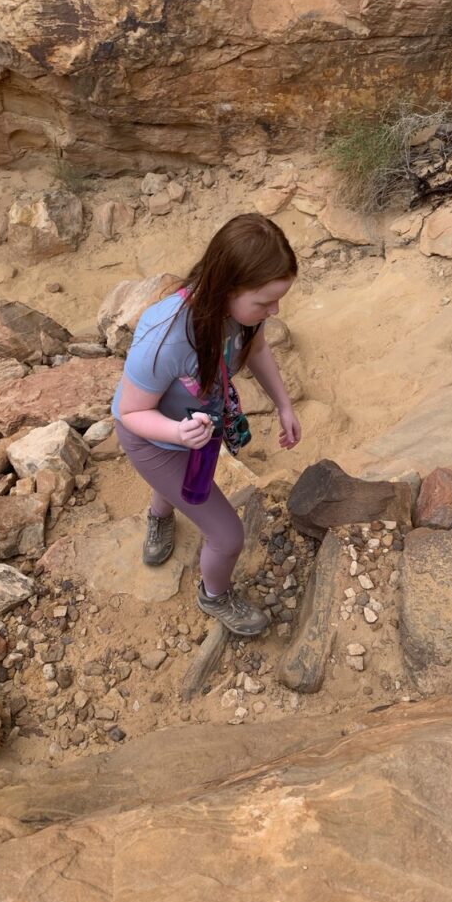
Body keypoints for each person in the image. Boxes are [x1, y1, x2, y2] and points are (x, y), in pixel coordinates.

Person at [112, 213, 302, 636]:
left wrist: (284, 405)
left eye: (277, 300)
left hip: (198, 424)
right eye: (265, 302)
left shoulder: (242, 314)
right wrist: (177, 434)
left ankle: (163, 512)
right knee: (228, 536)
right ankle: (214, 596)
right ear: (227, 288)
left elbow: (255, 351)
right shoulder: (165, 337)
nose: (274, 310)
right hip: (154, 436)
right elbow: (131, 412)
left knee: (179, 483)